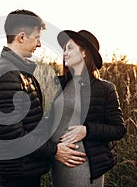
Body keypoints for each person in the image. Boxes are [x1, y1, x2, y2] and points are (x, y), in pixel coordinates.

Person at [0, 9, 61, 187]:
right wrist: (55, 151)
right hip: (17, 169)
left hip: (22, 166)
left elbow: (27, 121)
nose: (39, 44)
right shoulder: (7, 74)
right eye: (37, 37)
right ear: (22, 37)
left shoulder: (16, 70)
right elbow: (13, 137)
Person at [50, 30, 127, 186]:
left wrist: (87, 130)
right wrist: (53, 150)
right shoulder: (60, 84)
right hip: (58, 161)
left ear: (84, 52)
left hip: (82, 163)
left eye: (70, 48)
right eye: (64, 49)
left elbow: (119, 129)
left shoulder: (104, 88)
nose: (65, 53)